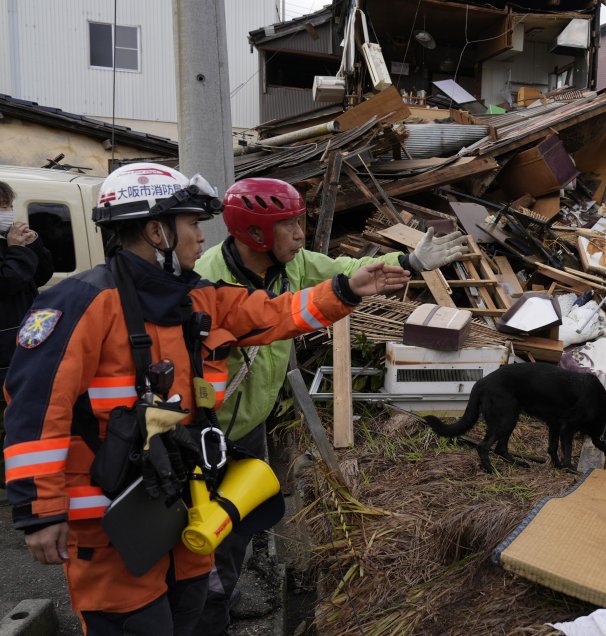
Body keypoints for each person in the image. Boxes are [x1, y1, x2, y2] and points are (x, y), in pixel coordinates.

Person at [1, 163, 410, 635]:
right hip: (113, 521)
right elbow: (34, 413)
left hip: (185, 502)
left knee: (195, 617)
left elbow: (274, 314)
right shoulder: (79, 304)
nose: (201, 236)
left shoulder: (196, 298)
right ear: (157, 231)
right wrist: (39, 510)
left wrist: (347, 289)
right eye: (192, 223)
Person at [191, 177, 469, 634]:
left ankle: (224, 589)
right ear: (256, 234)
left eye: (300, 222)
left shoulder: (294, 263)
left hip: (252, 422)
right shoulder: (207, 279)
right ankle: (209, 612)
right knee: (210, 527)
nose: (300, 234)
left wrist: (408, 260)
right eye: (289, 225)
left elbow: (344, 266)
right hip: (209, 431)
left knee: (239, 521)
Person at [0, 180, 54, 492]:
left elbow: (40, 274)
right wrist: (17, 250)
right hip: (4, 348)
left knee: (23, 411)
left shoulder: (9, 242)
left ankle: (23, 475)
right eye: (3, 207)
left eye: (8, 206)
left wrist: (33, 244)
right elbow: (8, 280)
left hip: (23, 341)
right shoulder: (9, 246)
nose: (8, 213)